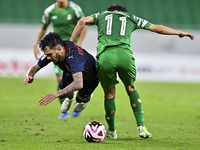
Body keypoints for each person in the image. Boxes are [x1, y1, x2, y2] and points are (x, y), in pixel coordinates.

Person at [70, 4, 194, 139]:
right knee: (131, 88)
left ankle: (112, 132)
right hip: (124, 55)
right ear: (123, 12)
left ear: (110, 12)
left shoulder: (101, 15)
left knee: (109, 94)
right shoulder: (131, 17)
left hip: (105, 56)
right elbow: (157, 28)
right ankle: (141, 128)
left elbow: (82, 21)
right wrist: (179, 32)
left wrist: (71, 43)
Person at [33, 0, 87, 119]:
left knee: (78, 79)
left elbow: (83, 26)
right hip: (57, 52)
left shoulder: (75, 9)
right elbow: (43, 27)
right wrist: (36, 43)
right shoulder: (49, 11)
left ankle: (81, 99)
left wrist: (79, 42)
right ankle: (66, 109)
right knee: (60, 81)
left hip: (72, 50)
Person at [25, 32, 99, 116]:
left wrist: (54, 95)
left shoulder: (75, 57)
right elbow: (35, 67)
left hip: (90, 78)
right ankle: (70, 97)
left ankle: (86, 99)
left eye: (49, 55)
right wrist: (30, 76)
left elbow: (78, 84)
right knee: (61, 95)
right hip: (71, 73)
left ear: (59, 49)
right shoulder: (54, 50)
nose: (48, 58)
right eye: (46, 55)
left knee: (79, 99)